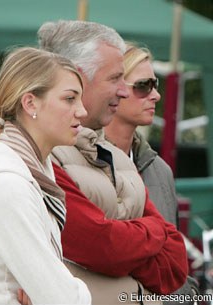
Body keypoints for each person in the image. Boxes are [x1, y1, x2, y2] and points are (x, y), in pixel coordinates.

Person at [37, 20, 188, 305]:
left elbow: (175, 265)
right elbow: (100, 245)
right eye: (116, 79)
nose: (123, 90)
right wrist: (153, 234)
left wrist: (120, 249)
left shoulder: (121, 158)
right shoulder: (39, 155)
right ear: (77, 77)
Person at [0, 46, 91, 305]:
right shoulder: (6, 182)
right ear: (30, 103)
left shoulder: (29, 168)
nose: (82, 111)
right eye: (70, 99)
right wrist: (78, 290)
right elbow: (62, 298)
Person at [105, 43, 199, 304]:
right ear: (114, 89)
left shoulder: (160, 170)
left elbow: (176, 264)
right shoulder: (79, 163)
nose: (156, 95)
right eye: (143, 86)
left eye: (155, 85)